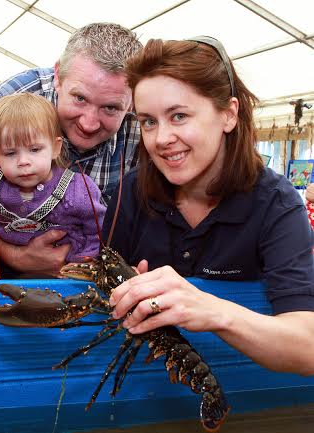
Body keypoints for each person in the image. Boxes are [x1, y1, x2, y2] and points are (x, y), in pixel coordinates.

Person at [104, 37, 314, 375]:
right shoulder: (129, 192)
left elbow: (308, 347)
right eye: (148, 121)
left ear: (228, 115)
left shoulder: (277, 203)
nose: (160, 139)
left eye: (179, 116)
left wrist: (212, 310)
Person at [0, 22, 142, 277]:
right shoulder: (12, 101)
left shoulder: (146, 127)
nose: (89, 123)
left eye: (110, 108)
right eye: (80, 98)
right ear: (58, 76)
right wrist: (13, 255)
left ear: (132, 100)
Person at [0, 93, 105, 276]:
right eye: (10, 153)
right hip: (0, 265)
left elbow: (98, 230)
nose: (23, 161)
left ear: (55, 148)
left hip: (61, 273)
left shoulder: (78, 190)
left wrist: (82, 266)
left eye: (34, 150)